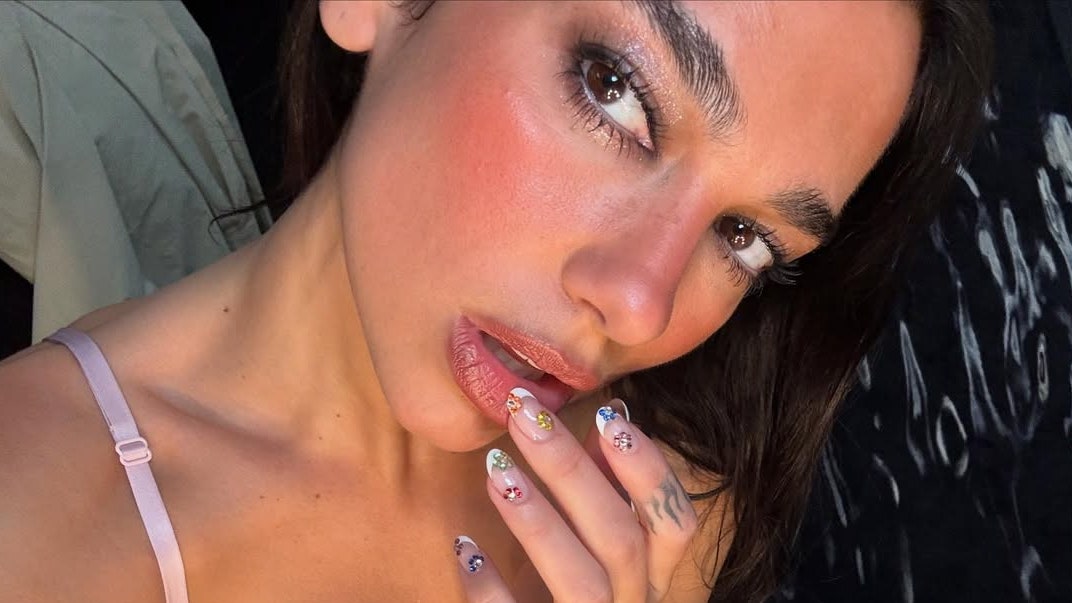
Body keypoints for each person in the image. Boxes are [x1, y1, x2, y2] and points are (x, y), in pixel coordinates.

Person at [0, 2, 991, 602]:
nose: (640, 305)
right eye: (615, 90)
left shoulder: (659, 517)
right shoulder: (31, 520)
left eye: (744, 236)